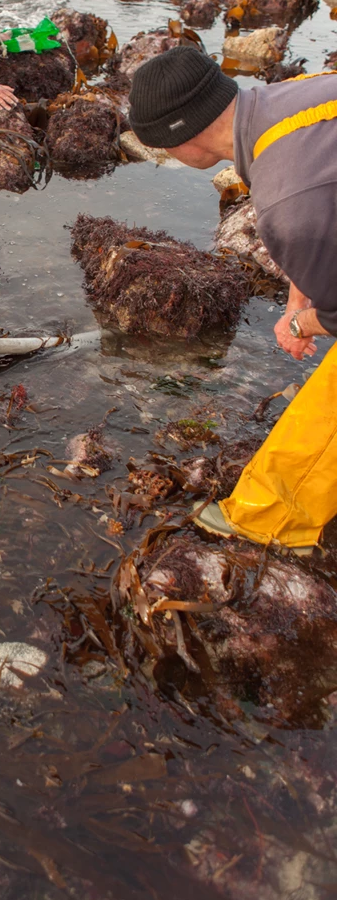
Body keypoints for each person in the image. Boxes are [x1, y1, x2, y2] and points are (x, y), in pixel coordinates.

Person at [128, 47, 337, 551]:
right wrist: (297, 297)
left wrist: (300, 325)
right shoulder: (296, 99)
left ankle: (275, 520)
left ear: (181, 138)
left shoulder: (287, 203)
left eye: (161, 148)